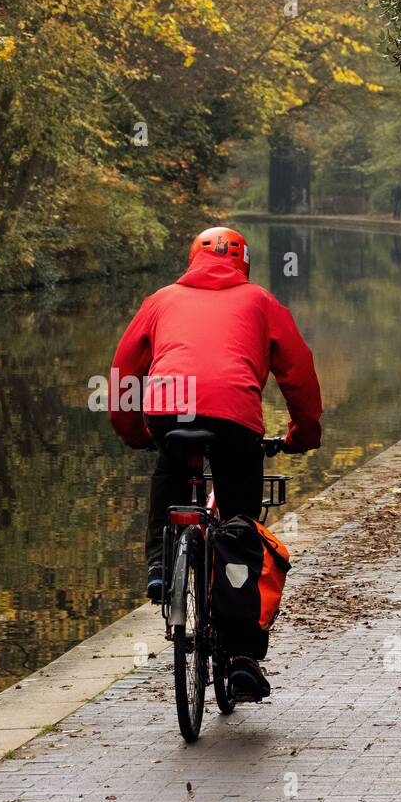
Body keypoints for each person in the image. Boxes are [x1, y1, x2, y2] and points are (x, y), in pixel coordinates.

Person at [108, 226, 322, 697]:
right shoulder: (261, 302)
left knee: (171, 464)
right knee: (239, 524)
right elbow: (298, 371)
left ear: (191, 259)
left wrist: (133, 431)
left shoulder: (161, 299)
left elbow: (124, 368)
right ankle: (242, 656)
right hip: (233, 416)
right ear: (244, 262)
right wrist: (304, 433)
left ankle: (162, 567)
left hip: (170, 407)